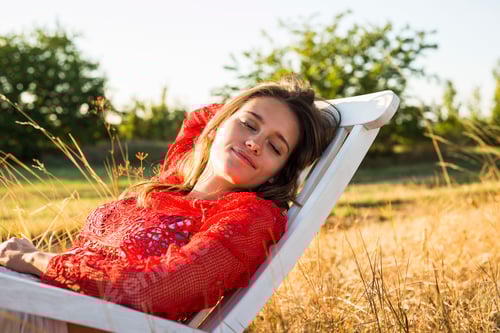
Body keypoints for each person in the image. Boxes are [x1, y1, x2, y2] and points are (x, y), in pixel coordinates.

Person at [0, 74, 338, 332]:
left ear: (279, 172)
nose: (253, 143)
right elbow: (199, 118)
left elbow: (162, 287)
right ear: (219, 124)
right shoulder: (175, 183)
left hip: (79, 321)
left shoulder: (249, 215)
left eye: (275, 147)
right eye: (249, 123)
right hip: (49, 302)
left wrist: (36, 259)